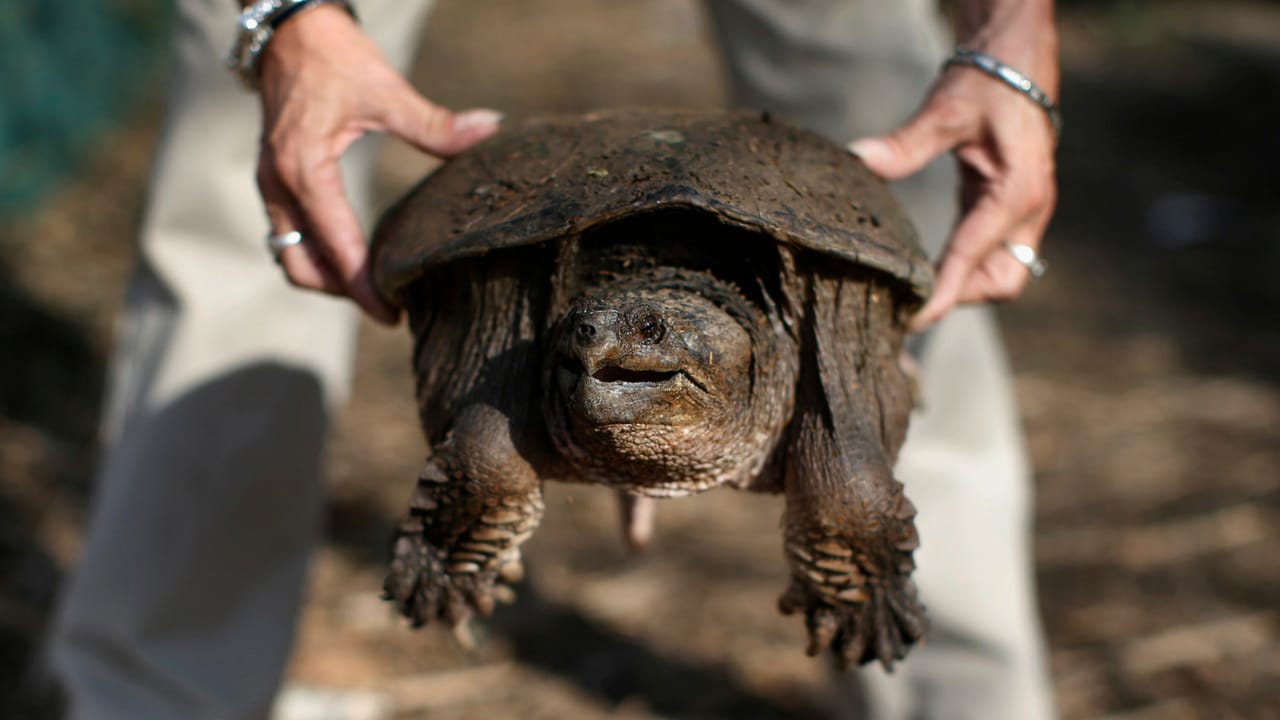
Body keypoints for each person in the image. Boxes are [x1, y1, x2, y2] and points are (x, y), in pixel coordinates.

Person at [49, 0, 1060, 717]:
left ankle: (939, 683)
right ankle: (158, 700)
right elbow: (499, 431)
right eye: (575, 347)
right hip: (521, 230)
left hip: (802, 242)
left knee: (923, 230)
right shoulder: (552, 365)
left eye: (627, 347)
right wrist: (283, 14)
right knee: (253, 197)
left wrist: (1011, 33)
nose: (582, 355)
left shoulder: (830, 433)